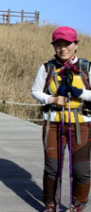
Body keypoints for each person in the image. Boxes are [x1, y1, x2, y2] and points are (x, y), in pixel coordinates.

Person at [31, 26, 91, 212]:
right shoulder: (47, 67)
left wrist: (81, 93)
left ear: (76, 45)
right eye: (58, 44)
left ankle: (79, 204)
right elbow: (35, 92)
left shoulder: (86, 67)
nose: (63, 48)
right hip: (53, 123)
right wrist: (52, 99)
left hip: (81, 123)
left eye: (67, 44)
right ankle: (50, 203)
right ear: (54, 46)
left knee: (81, 169)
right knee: (52, 167)